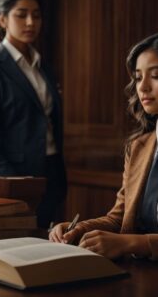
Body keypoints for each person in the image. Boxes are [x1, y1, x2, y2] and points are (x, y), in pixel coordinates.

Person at [49, 33, 158, 259]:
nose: (143, 87)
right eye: (138, 78)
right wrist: (77, 230)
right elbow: (118, 218)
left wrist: (131, 243)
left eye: (156, 75)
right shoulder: (139, 146)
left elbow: (126, 238)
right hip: (138, 274)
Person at [0, 0, 67, 228]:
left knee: (46, 248)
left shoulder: (43, 67)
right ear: (2, 19)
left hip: (51, 171)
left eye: (37, 15)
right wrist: (16, 181)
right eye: (21, 14)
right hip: (13, 178)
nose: (31, 22)